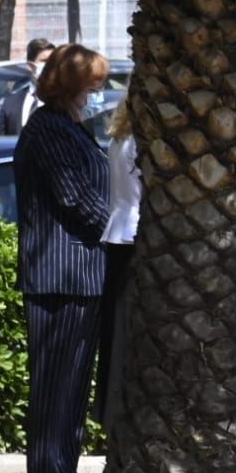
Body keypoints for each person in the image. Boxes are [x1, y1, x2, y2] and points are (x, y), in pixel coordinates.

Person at [12, 43, 111, 473]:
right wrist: (119, 226)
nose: (95, 91)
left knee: (72, 378)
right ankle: (49, 470)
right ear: (69, 84)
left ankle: (61, 467)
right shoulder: (49, 129)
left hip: (81, 272)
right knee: (54, 378)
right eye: (90, 83)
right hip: (61, 272)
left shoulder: (70, 125)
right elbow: (73, 196)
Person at [95, 96, 142, 427]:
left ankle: (109, 415)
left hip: (118, 232)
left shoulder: (120, 136)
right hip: (134, 235)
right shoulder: (139, 140)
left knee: (114, 333)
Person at [0, 37, 56, 135]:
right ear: (30, 66)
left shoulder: (64, 102)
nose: (51, 66)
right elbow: (0, 141)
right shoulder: (11, 103)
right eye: (45, 61)